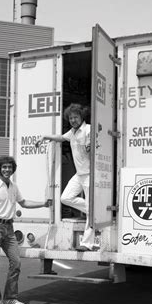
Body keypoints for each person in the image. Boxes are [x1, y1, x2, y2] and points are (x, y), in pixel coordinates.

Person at [0, 155, 50, 304]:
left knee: (16, 262)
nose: (7, 170)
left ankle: (10, 298)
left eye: (10, 167)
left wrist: (43, 204)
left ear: (13, 169)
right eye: (4, 167)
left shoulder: (14, 186)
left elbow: (24, 203)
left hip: (9, 228)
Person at [36, 103, 96, 252]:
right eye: (70, 118)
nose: (73, 120)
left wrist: (91, 143)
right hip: (79, 174)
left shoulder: (88, 129)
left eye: (75, 117)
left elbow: (97, 135)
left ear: (82, 117)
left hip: (90, 174)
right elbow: (61, 138)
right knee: (65, 198)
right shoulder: (72, 133)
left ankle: (87, 243)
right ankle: (93, 209)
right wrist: (44, 136)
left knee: (89, 209)